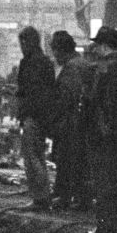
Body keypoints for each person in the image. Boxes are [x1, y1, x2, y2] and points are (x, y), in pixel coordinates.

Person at [79, 25, 117, 233]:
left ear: (105, 46)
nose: (95, 49)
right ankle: (110, 223)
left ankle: (105, 225)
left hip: (101, 131)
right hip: (116, 130)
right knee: (112, 179)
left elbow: (97, 101)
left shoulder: (105, 68)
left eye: (97, 44)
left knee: (103, 179)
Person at [15, 26, 56, 210]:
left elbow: (33, 92)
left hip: (33, 115)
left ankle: (40, 197)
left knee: (32, 158)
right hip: (38, 115)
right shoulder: (43, 62)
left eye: (23, 43)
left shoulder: (33, 63)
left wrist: (24, 110)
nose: (21, 47)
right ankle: (41, 196)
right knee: (35, 156)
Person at [49, 30, 86, 209]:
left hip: (70, 122)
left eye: (55, 52)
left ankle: (66, 196)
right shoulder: (83, 62)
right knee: (78, 161)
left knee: (67, 159)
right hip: (80, 121)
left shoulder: (72, 67)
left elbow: (67, 96)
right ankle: (74, 196)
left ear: (61, 50)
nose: (55, 56)